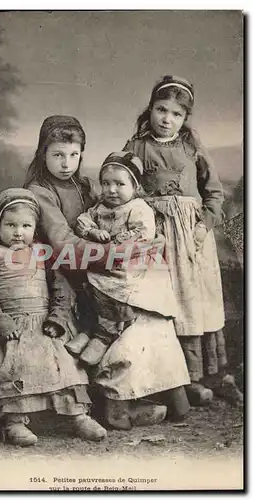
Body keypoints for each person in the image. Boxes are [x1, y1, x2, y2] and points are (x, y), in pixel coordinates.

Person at [25, 116, 190, 428]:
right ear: (42, 153)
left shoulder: (85, 185)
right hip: (65, 269)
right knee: (127, 320)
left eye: (74, 155)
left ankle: (161, 393)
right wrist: (115, 254)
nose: (66, 164)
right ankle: (116, 405)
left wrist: (143, 244)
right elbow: (64, 243)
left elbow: (115, 218)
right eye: (58, 155)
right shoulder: (40, 192)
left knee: (154, 317)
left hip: (101, 266)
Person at [123, 75, 243, 407]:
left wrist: (203, 226)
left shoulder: (192, 147)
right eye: (161, 110)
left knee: (197, 302)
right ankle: (177, 379)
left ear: (185, 118)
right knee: (167, 303)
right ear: (150, 109)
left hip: (192, 238)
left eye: (176, 114)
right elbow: (122, 185)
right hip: (155, 236)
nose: (166, 119)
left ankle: (214, 377)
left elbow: (214, 193)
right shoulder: (136, 147)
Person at [0, 188, 107, 446]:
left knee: (65, 368)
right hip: (9, 323)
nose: (18, 232)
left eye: (26, 225)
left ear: (35, 228)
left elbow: (61, 287)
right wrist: (0, 321)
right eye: (10, 225)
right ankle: (13, 422)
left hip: (43, 323)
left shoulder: (41, 252)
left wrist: (58, 317)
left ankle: (79, 417)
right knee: (16, 366)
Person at [66, 151, 179, 367]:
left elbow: (143, 235)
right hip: (103, 263)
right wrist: (92, 232)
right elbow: (83, 221)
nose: (111, 190)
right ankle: (90, 329)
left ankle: (104, 336)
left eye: (119, 184)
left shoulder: (137, 208)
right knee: (88, 290)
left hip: (130, 265)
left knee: (115, 296)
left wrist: (118, 246)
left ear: (135, 187)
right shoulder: (100, 208)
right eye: (106, 183)